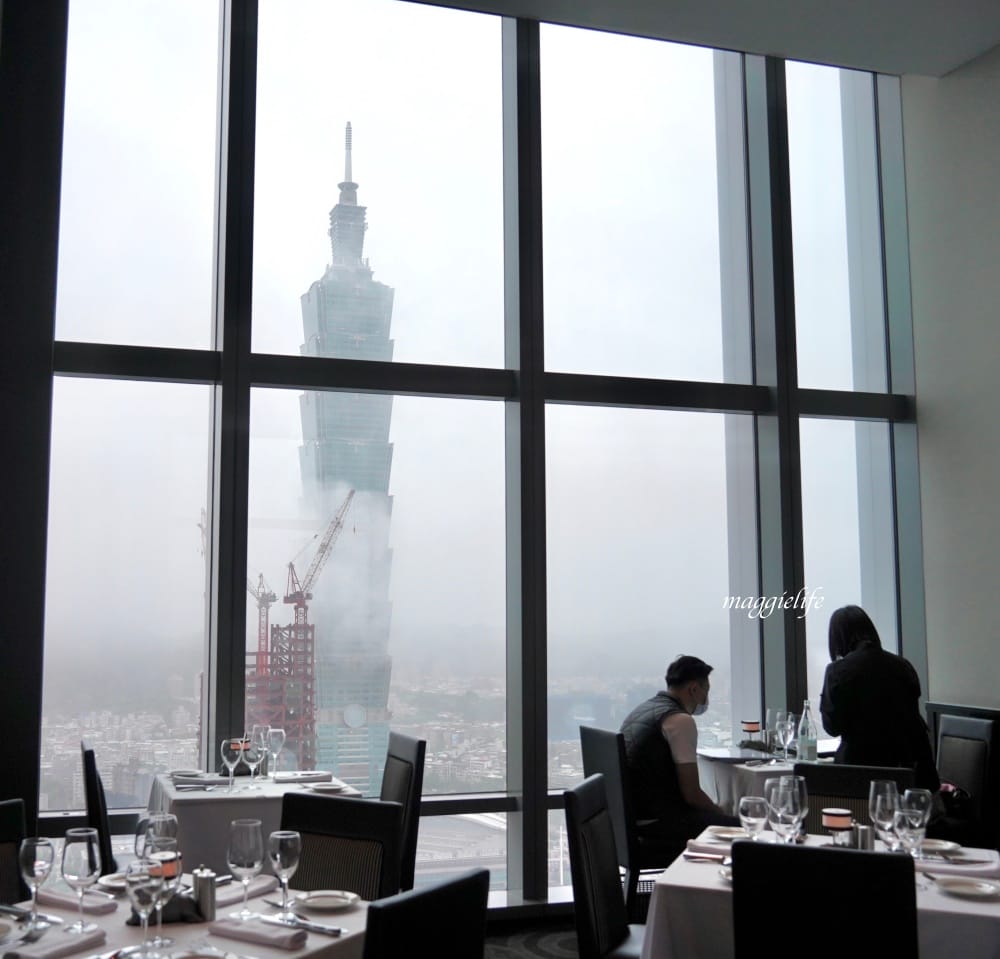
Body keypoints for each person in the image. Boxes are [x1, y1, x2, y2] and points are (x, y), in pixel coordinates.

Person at [619, 655, 738, 851]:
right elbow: (692, 794)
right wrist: (721, 813)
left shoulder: (643, 710)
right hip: (659, 821)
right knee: (747, 831)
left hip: (634, 817)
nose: (706, 700)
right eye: (705, 692)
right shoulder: (679, 720)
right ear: (693, 689)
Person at [819, 604, 940, 791]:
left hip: (855, 776)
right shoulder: (903, 666)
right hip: (902, 774)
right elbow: (913, 723)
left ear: (837, 639)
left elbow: (832, 727)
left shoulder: (838, 671)